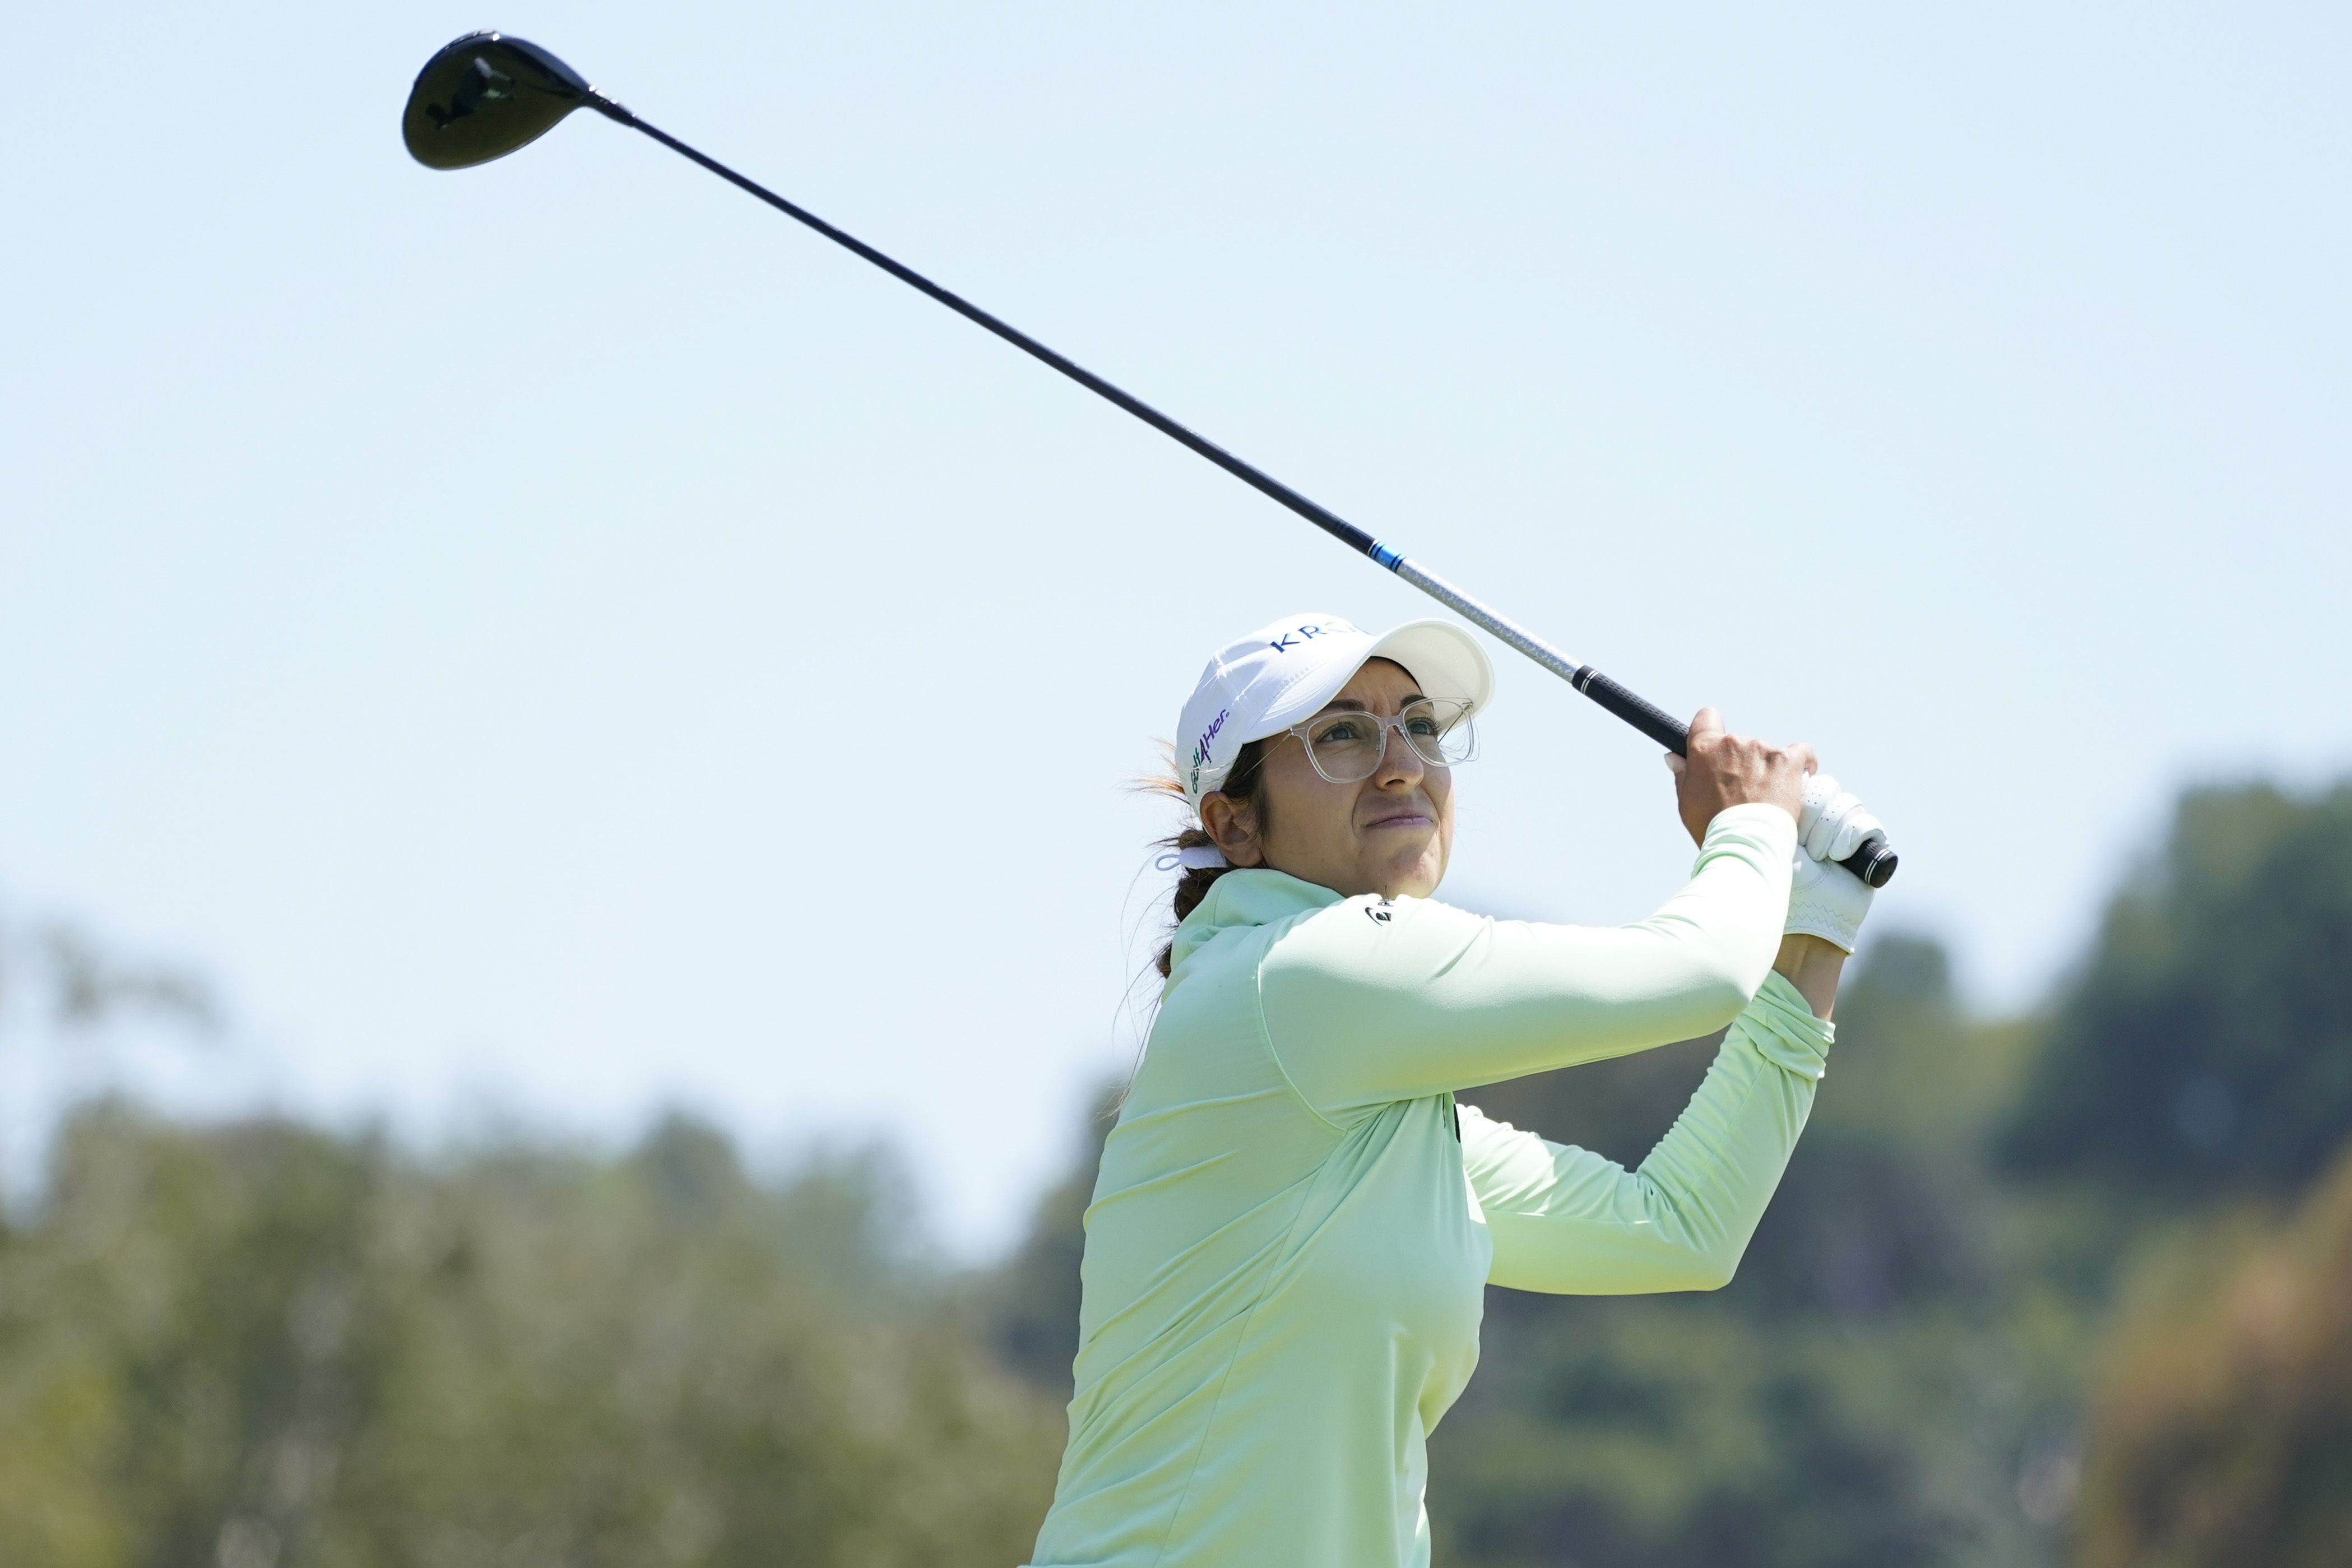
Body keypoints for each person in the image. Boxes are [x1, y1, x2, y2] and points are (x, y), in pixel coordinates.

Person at [1024, 613, 1882, 1568]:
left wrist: (1815, 930)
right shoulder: (1300, 974)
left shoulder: (1372, 1107)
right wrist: (1751, 819)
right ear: (1236, 824)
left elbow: (1679, 1224)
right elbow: (1701, 969)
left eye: (1418, 726)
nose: (1399, 763)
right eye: (1340, 732)